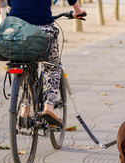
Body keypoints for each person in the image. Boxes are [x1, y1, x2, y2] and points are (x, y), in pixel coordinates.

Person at [7, 0, 85, 128]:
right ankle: (49, 107)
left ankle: (24, 111)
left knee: (23, 64)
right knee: (53, 67)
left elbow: (10, 5)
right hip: (42, 30)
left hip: (16, 31)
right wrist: (78, 10)